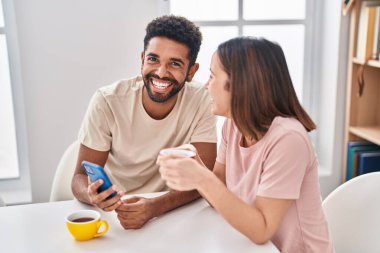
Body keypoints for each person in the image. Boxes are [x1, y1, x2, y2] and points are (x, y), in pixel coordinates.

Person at [158, 37, 334, 252]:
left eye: (212, 76)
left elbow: (262, 230)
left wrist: (200, 177)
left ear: (239, 84)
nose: (205, 85)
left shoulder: (289, 139)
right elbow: (218, 195)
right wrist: (197, 165)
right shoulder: (232, 127)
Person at [71, 15, 217, 229]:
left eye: (174, 63)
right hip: (114, 214)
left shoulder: (201, 100)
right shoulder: (107, 100)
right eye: (153, 59)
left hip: (173, 213)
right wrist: (92, 195)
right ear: (142, 59)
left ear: (191, 72)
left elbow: (204, 179)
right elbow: (79, 177)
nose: (160, 72)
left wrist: (155, 207)